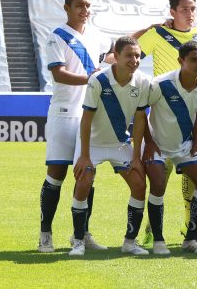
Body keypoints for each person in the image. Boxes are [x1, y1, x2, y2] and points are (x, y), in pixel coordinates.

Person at [132, 0, 197, 243]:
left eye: (193, 8)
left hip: (192, 114)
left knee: (194, 178)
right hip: (163, 115)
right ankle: (151, 232)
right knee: (157, 179)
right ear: (172, 12)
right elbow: (120, 52)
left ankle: (192, 230)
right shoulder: (157, 34)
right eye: (184, 9)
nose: (190, 13)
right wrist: (146, 29)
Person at [39, 0, 112, 254]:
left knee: (86, 176)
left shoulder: (97, 36)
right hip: (63, 114)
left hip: (89, 115)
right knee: (56, 175)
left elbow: (114, 54)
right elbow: (58, 74)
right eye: (80, 6)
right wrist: (94, 79)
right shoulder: (57, 37)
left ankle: (82, 234)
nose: (85, 11)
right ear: (67, 7)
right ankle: (45, 233)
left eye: (88, 6)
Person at [133, 40, 197, 255]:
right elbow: (141, 115)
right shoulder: (160, 84)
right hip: (157, 145)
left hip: (185, 146)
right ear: (181, 61)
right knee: (158, 185)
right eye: (194, 60)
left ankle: (191, 238)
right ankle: (158, 240)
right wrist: (149, 143)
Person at [69, 36, 150, 256]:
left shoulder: (143, 82)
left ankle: (129, 242)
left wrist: (136, 157)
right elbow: (86, 119)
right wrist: (84, 156)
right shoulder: (98, 80)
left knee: (139, 185)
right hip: (91, 144)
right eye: (129, 56)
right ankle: (78, 240)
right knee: (84, 181)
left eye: (137, 55)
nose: (134, 60)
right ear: (116, 56)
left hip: (119, 144)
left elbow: (141, 119)